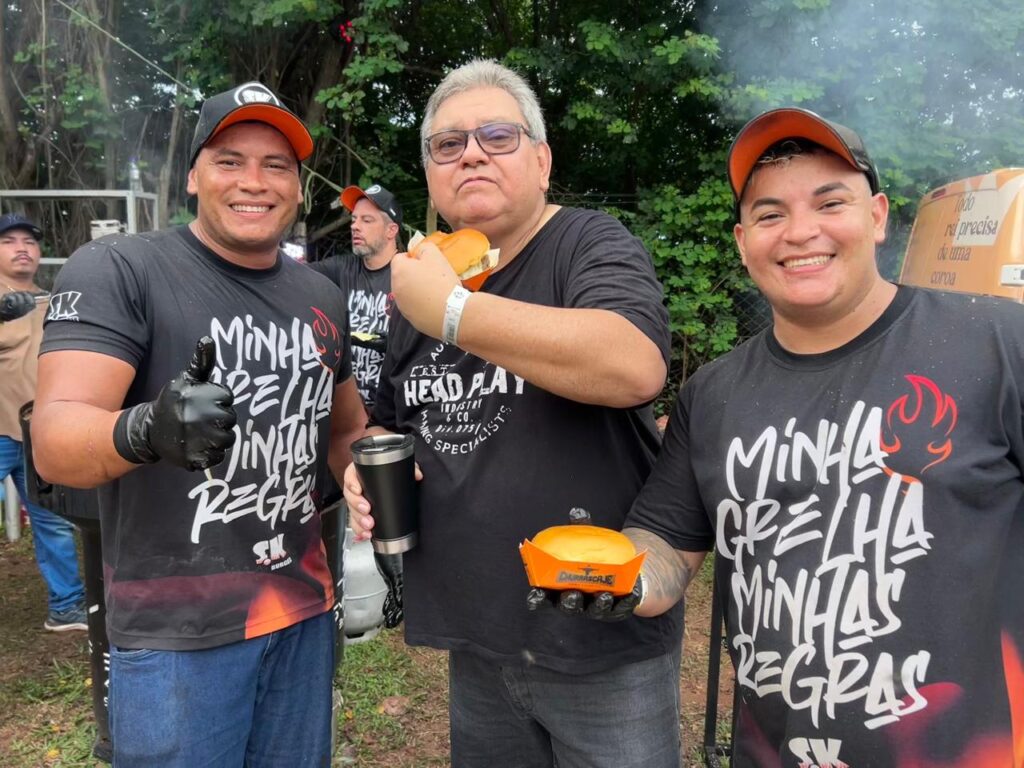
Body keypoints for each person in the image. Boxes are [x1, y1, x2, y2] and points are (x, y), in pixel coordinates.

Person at [620, 107, 1024, 767]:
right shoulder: (714, 395)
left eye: (829, 201)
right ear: (742, 239)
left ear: (877, 215)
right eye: (771, 214)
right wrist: (616, 579)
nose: (800, 231)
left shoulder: (998, 342)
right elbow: (666, 548)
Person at [344, 59, 682, 768]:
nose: (471, 152)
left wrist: (457, 313)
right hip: (478, 632)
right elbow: (391, 419)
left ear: (542, 160)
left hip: (599, 637)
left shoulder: (589, 243)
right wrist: (365, 465)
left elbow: (634, 365)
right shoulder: (422, 280)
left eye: (498, 135)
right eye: (448, 143)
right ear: (433, 174)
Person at [31, 82, 366, 767]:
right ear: (193, 176)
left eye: (277, 165)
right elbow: (57, 441)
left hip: (301, 614)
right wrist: (146, 429)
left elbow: (344, 432)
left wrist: (372, 471)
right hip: (175, 634)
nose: (254, 182)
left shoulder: (321, 294)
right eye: (229, 159)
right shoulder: (121, 270)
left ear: (299, 188)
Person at [0, 212, 87, 632]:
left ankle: (66, 605)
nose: (22, 248)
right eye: (9, 241)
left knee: (51, 518)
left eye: (30, 242)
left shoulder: (50, 300)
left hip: (36, 435)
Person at [310, 183, 403, 413]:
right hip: (344, 409)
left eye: (367, 220)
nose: (355, 226)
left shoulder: (410, 273)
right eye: (354, 219)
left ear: (391, 230)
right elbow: (291, 275)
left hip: (392, 412)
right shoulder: (342, 269)